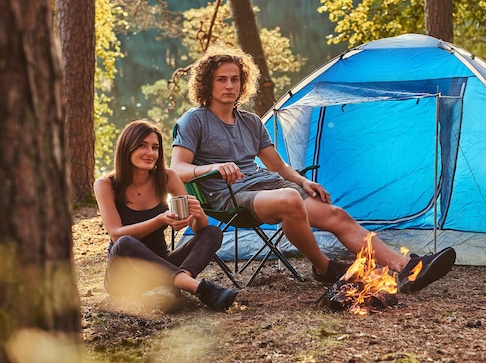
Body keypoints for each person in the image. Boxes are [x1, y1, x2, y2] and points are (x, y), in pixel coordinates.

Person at [170, 45, 456, 293]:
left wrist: (303, 181)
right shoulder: (193, 121)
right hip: (229, 198)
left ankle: (407, 268)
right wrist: (214, 167)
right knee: (290, 200)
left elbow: (277, 165)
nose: (229, 86)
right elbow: (176, 170)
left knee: (336, 214)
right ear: (207, 84)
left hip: (265, 186)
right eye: (221, 80)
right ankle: (323, 267)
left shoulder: (251, 122)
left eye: (235, 79)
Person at [94, 119, 237, 310]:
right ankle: (198, 288)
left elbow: (198, 228)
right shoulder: (106, 185)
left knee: (213, 232)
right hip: (124, 275)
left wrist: (198, 214)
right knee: (125, 242)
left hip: (162, 265)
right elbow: (116, 233)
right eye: (142, 146)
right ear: (126, 148)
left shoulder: (167, 177)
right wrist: (160, 220)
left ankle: (173, 284)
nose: (150, 153)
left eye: (155, 147)